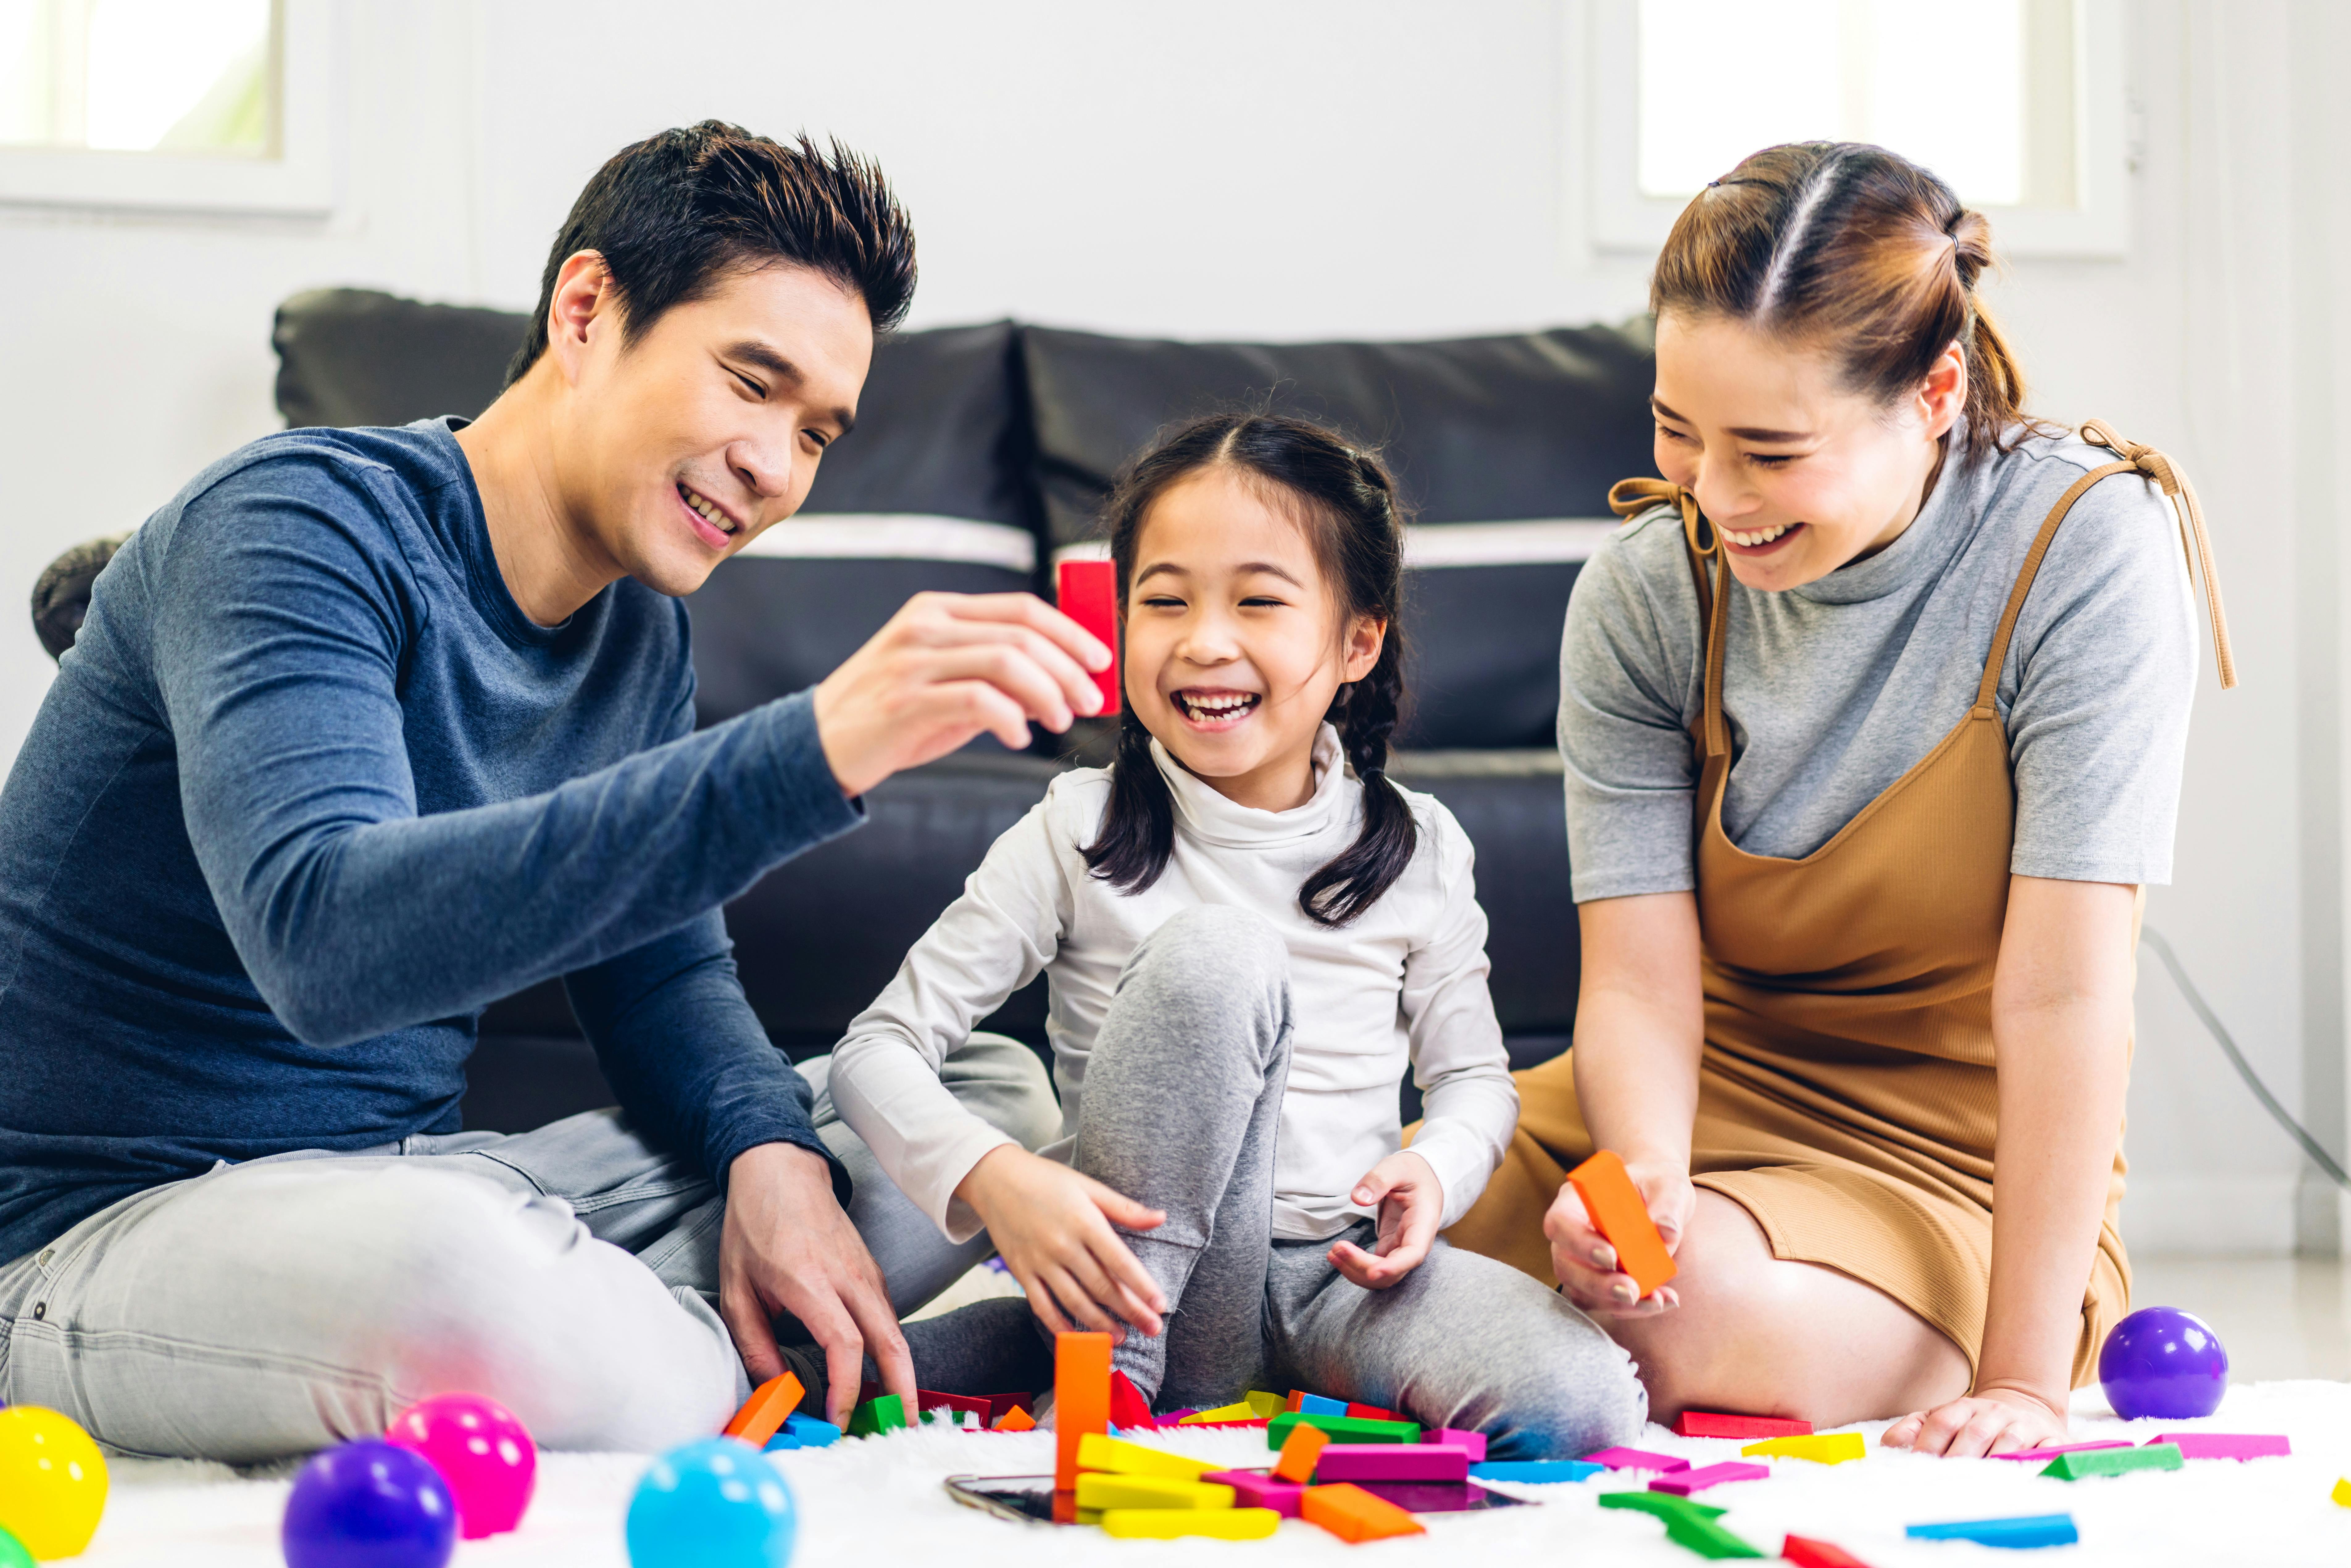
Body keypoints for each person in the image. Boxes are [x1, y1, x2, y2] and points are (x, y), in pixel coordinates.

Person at [0, 121, 1105, 1461]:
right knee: (460, 1275)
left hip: (414, 1185)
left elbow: (658, 980)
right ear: (586, 311)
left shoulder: (637, 629)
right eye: (750, 382)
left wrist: (773, 1161)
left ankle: (634, 1338)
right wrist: (811, 748)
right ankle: (731, 1365)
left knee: (979, 1095)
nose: (777, 468)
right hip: (100, 1235)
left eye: (817, 432)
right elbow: (326, 943)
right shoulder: (291, 524)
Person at [1443, 141, 2234, 1458]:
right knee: (1332, 1213)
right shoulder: (1646, 588)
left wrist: (2027, 1379)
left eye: (1769, 451)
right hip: (1688, 1096)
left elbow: (2065, 995)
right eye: (1677, 430)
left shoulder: (2087, 548)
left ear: (1934, 392)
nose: (1713, 496)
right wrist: (1644, 1186)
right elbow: (1638, 982)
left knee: (1683, 1327)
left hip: (1947, 1163)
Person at [830, 414, 1646, 1460]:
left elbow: (1477, 1081)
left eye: (1258, 600)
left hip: (1334, 1279)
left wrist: (1433, 1170)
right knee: (1221, 953)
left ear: (1359, 640)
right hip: (1140, 1283)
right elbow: (875, 1048)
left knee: (1585, 1404)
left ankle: (1077, 1361)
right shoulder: (1073, 828)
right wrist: (997, 1176)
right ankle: (1107, 1371)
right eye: (1163, 600)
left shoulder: (1423, 847)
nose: (1204, 639)